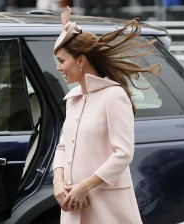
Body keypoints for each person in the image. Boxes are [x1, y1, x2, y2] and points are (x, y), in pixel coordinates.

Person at [52, 7, 160, 224]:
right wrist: (58, 181)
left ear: (81, 61)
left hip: (107, 206)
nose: (58, 68)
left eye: (62, 61)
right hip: (74, 203)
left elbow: (122, 154)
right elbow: (63, 146)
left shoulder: (114, 96)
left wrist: (84, 186)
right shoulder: (73, 98)